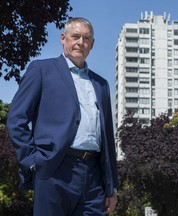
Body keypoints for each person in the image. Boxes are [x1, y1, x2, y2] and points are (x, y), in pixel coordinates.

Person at [6, 17, 119, 216]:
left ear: (92, 44)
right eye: (75, 36)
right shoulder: (41, 70)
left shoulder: (101, 84)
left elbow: (107, 137)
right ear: (63, 38)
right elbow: (16, 120)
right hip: (54, 169)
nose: (80, 43)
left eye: (86, 38)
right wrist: (33, 162)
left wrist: (111, 186)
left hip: (93, 175)